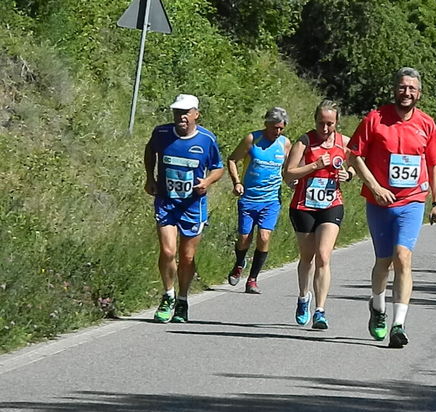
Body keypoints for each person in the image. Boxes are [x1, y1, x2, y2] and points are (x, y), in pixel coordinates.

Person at [348, 67, 436, 348]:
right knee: (384, 262)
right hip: (380, 202)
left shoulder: (427, 124)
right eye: (402, 87)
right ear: (395, 89)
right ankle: (377, 308)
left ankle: (398, 325)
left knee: (403, 258)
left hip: (412, 200)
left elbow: (434, 164)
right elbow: (355, 155)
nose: (407, 93)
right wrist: (375, 187)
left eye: (412, 89)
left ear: (420, 93)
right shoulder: (375, 119)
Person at [144, 94, 224, 323]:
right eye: (177, 112)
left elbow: (218, 168)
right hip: (166, 201)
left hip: (193, 205)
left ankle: (182, 299)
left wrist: (207, 182)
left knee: (187, 257)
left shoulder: (206, 139)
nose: (181, 117)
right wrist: (149, 177)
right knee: (168, 252)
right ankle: (168, 295)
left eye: (185, 112)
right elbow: (150, 152)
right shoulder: (161, 134)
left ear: (196, 114)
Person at [284, 100, 355, 329]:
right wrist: (314, 166)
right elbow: (289, 174)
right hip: (304, 205)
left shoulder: (344, 142)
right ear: (314, 120)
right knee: (307, 256)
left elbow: (357, 164)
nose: (324, 129)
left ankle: (320, 310)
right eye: (320, 123)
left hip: (331, 204)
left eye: (329, 124)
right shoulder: (304, 142)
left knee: (323, 256)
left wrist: (349, 175)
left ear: (337, 123)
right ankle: (304, 297)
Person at [226, 107, 292, 293]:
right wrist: (237, 182)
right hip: (248, 198)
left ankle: (253, 279)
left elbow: (289, 169)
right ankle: (239, 264)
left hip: (271, 200)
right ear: (266, 124)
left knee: (264, 237)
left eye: (280, 128)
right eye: (273, 127)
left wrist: (293, 182)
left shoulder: (285, 144)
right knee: (244, 238)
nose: (276, 132)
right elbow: (232, 160)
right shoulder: (252, 139)